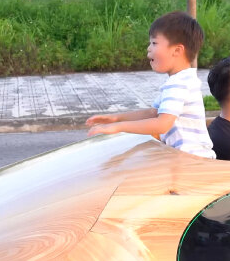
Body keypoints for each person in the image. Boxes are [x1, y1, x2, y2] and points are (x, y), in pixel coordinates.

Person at [85, 11, 215, 159]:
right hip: (187, 160)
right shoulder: (179, 80)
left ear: (177, 50)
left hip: (193, 163)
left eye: (154, 43)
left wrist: (117, 127)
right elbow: (153, 113)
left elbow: (162, 124)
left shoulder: (179, 84)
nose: (149, 48)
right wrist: (116, 118)